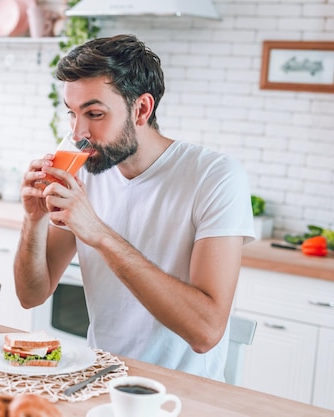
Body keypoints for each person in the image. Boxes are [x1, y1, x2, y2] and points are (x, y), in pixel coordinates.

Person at [13, 34, 255, 381]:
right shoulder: (87, 171)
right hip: (98, 378)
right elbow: (30, 295)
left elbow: (206, 332)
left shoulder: (215, 177)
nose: (79, 132)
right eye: (72, 114)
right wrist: (33, 220)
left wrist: (99, 234)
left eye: (94, 114)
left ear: (142, 109)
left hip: (182, 395)